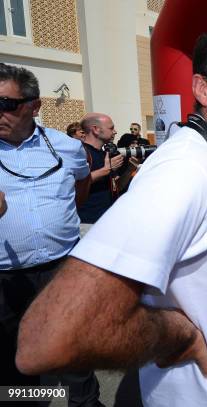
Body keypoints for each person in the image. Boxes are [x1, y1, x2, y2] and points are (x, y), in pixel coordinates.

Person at [16, 23, 207, 406]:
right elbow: (48, 338)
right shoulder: (185, 169)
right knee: (20, 393)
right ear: (202, 89)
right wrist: (176, 335)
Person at [0, 63, 102, 405]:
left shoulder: (66, 146)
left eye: (5, 104)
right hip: (6, 279)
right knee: (15, 361)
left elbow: (81, 181)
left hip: (62, 268)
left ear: (34, 105)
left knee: (73, 351)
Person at [78, 113, 133, 223]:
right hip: (88, 222)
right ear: (95, 129)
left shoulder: (105, 155)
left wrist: (131, 168)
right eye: (111, 128)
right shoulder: (80, 153)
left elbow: (118, 186)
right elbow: (74, 183)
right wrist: (105, 170)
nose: (115, 131)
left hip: (107, 220)